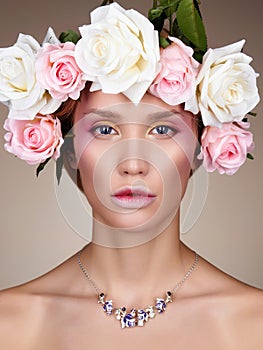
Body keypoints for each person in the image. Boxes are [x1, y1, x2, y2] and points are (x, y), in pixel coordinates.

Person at [0, 1, 262, 349]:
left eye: (162, 131)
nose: (134, 163)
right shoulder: (10, 324)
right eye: (106, 130)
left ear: (200, 148)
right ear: (69, 150)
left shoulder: (254, 324)